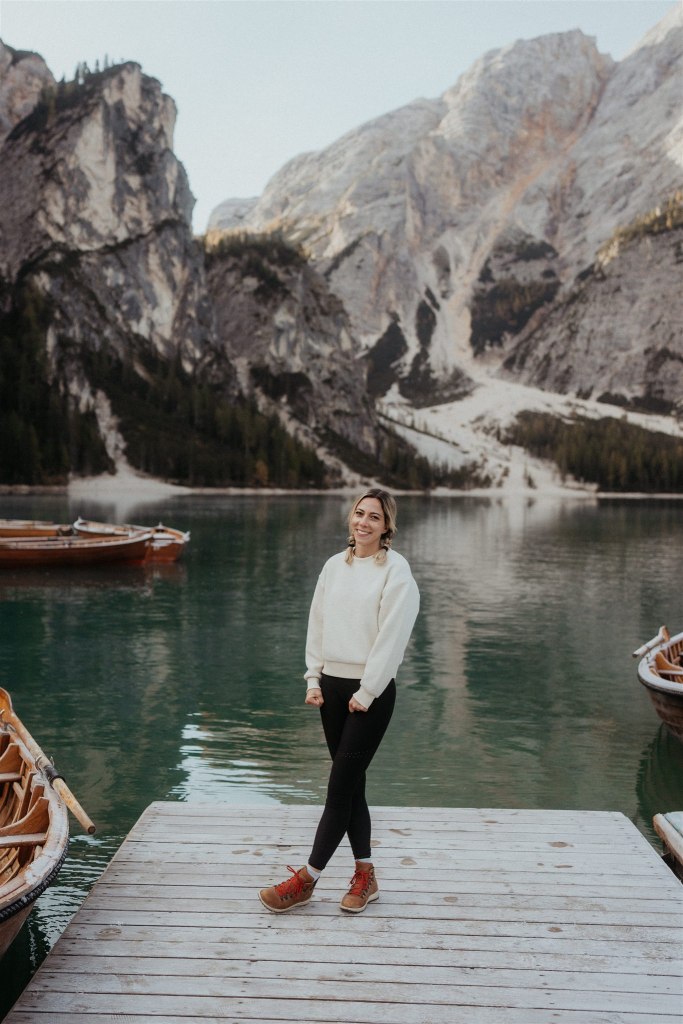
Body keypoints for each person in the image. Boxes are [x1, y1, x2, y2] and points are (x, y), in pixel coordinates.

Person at [258, 488, 420, 915]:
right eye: (358, 514)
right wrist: (313, 676)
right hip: (330, 690)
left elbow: (392, 639)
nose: (363, 522)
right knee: (351, 786)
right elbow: (318, 622)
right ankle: (366, 875)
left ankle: (305, 880)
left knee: (338, 788)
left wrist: (366, 692)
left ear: (387, 526)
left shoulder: (396, 572)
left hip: (371, 694)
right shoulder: (334, 566)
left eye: (374, 517)